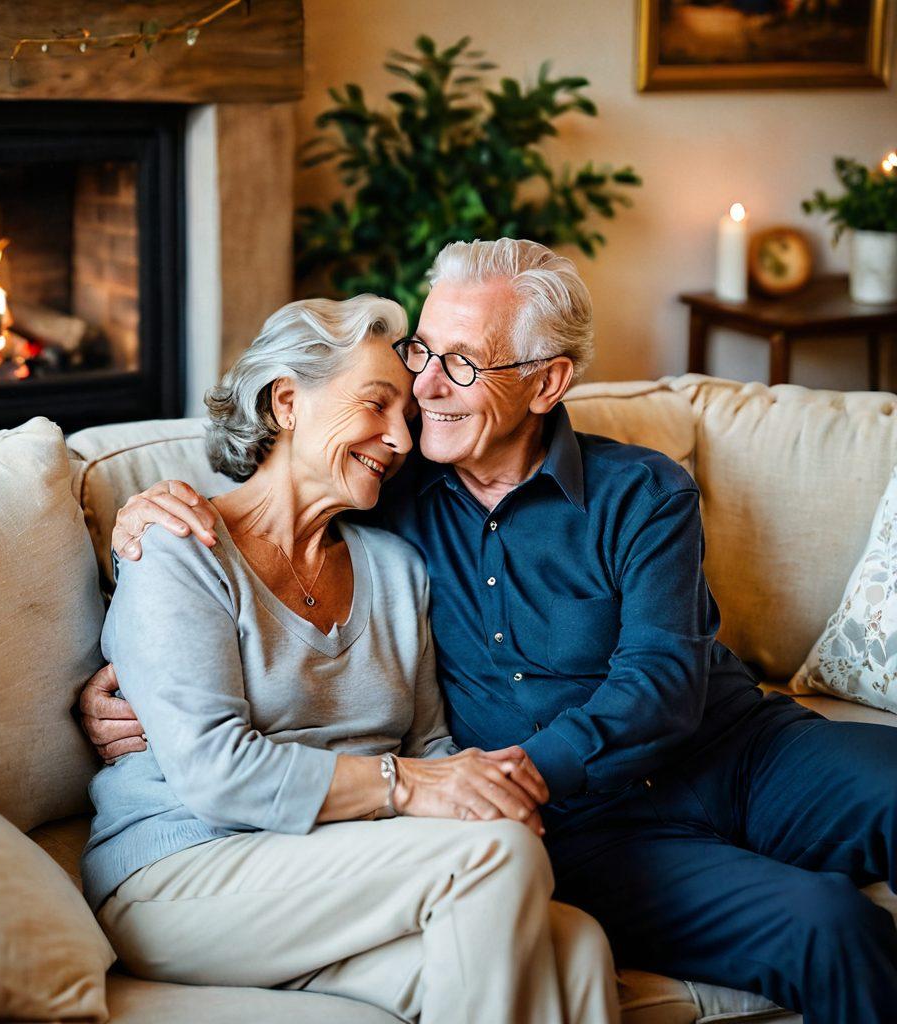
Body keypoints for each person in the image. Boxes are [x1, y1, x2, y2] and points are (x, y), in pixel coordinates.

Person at [88, 238, 897, 1024]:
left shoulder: (641, 491)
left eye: (463, 363)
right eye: (421, 354)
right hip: (592, 830)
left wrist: (504, 780)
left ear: (548, 383)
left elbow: (661, 685)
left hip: (734, 753)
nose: (425, 394)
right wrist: (145, 519)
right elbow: (276, 493)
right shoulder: (388, 494)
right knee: (830, 925)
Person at [79, 292, 619, 1024]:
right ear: (286, 403)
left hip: (340, 874)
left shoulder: (398, 568)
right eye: (376, 405)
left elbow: (429, 743)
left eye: (409, 417)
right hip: (185, 870)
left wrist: (481, 796)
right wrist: (412, 789)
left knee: (577, 943)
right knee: (494, 857)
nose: (400, 439)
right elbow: (214, 770)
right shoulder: (180, 544)